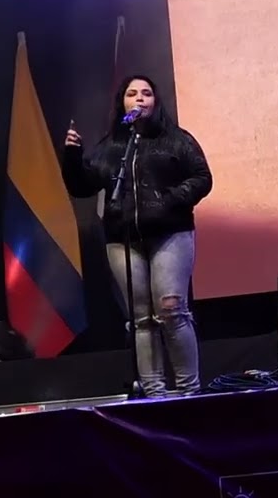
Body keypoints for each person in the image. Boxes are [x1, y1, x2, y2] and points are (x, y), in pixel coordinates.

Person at [62, 74, 213, 396]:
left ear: (155, 102)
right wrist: (73, 158)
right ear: (123, 103)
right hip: (123, 239)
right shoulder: (113, 146)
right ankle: (155, 393)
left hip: (170, 233)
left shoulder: (176, 139)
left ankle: (190, 391)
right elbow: (82, 187)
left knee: (171, 309)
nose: (140, 98)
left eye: (146, 93)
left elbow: (202, 177)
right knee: (141, 319)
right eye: (132, 94)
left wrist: (170, 200)